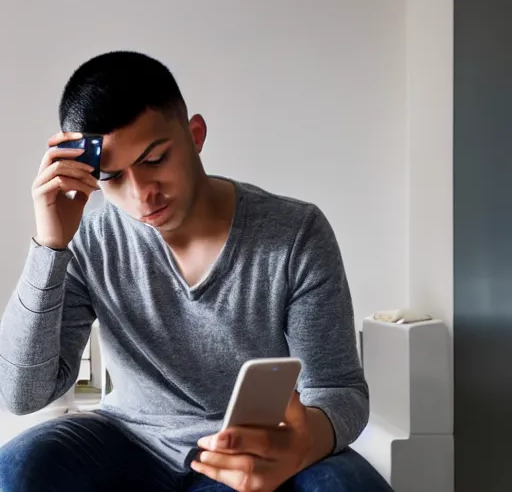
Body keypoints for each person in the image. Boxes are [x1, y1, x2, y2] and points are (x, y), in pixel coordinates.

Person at [0, 51, 393, 492]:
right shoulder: (90, 238)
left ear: (196, 135)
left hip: (245, 446)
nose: (142, 194)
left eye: (155, 159)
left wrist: (301, 445)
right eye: (112, 177)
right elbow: (23, 395)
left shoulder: (295, 233)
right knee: (16, 469)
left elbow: (339, 389)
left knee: (349, 486)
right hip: (128, 440)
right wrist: (49, 244)